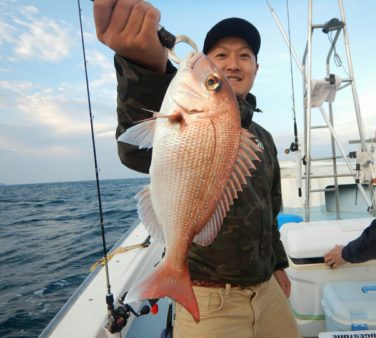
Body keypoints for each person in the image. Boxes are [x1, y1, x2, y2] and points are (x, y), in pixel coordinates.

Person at [93, 1, 300, 337]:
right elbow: (133, 149)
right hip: (209, 298)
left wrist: (278, 264)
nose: (233, 64)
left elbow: (271, 206)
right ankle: (173, 274)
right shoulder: (180, 113)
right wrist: (143, 65)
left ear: (256, 68)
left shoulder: (262, 139)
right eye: (220, 55)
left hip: (267, 290)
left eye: (244, 56)